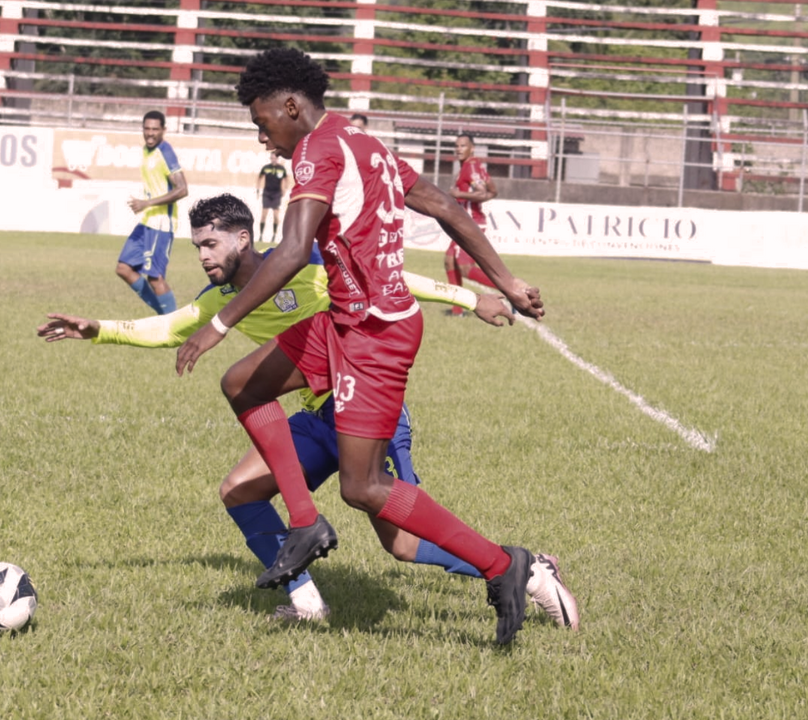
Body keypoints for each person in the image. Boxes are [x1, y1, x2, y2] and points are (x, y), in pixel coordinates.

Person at [37, 193, 579, 630]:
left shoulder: (305, 268)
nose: (202, 256)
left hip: (369, 411)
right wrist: (98, 329)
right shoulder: (219, 300)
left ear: (242, 239)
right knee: (239, 490)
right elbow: (166, 329)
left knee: (403, 543)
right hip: (319, 420)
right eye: (197, 246)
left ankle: (529, 571)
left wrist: (470, 298)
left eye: (210, 244)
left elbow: (392, 283)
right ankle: (306, 601)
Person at [173, 48, 552, 645]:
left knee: (363, 487)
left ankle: (503, 566)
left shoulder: (317, 152)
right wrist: (504, 280)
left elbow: (292, 251)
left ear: (290, 105)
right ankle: (304, 523)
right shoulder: (362, 142)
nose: (262, 137)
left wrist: (217, 325)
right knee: (242, 384)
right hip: (343, 320)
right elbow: (443, 205)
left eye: (261, 122)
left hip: (375, 333)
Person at [115, 110, 188, 315]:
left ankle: (174, 323)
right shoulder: (147, 151)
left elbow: (182, 189)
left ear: (163, 130)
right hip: (148, 221)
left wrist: (147, 203)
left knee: (155, 278)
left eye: (155, 129)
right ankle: (165, 317)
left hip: (161, 224)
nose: (150, 133)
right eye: (147, 129)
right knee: (124, 268)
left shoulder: (165, 152)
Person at [444, 132, 498, 316]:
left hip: (470, 223)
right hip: (466, 221)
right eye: (457, 146)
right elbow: (492, 191)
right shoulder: (472, 166)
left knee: (465, 268)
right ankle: (457, 310)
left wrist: (459, 195)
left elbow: (481, 192)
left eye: (463, 146)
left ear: (472, 148)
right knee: (449, 260)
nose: (459, 149)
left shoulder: (470, 167)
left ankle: (510, 291)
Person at [255, 152, 290, 244]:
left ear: (277, 159)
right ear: (270, 158)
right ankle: (261, 235)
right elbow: (259, 177)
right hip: (267, 193)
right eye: (272, 158)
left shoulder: (281, 169)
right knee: (263, 215)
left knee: (276, 216)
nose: (273, 160)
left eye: (275, 158)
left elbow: (286, 179)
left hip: (276, 194)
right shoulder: (266, 168)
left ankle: (274, 235)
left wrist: (284, 189)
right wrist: (258, 189)